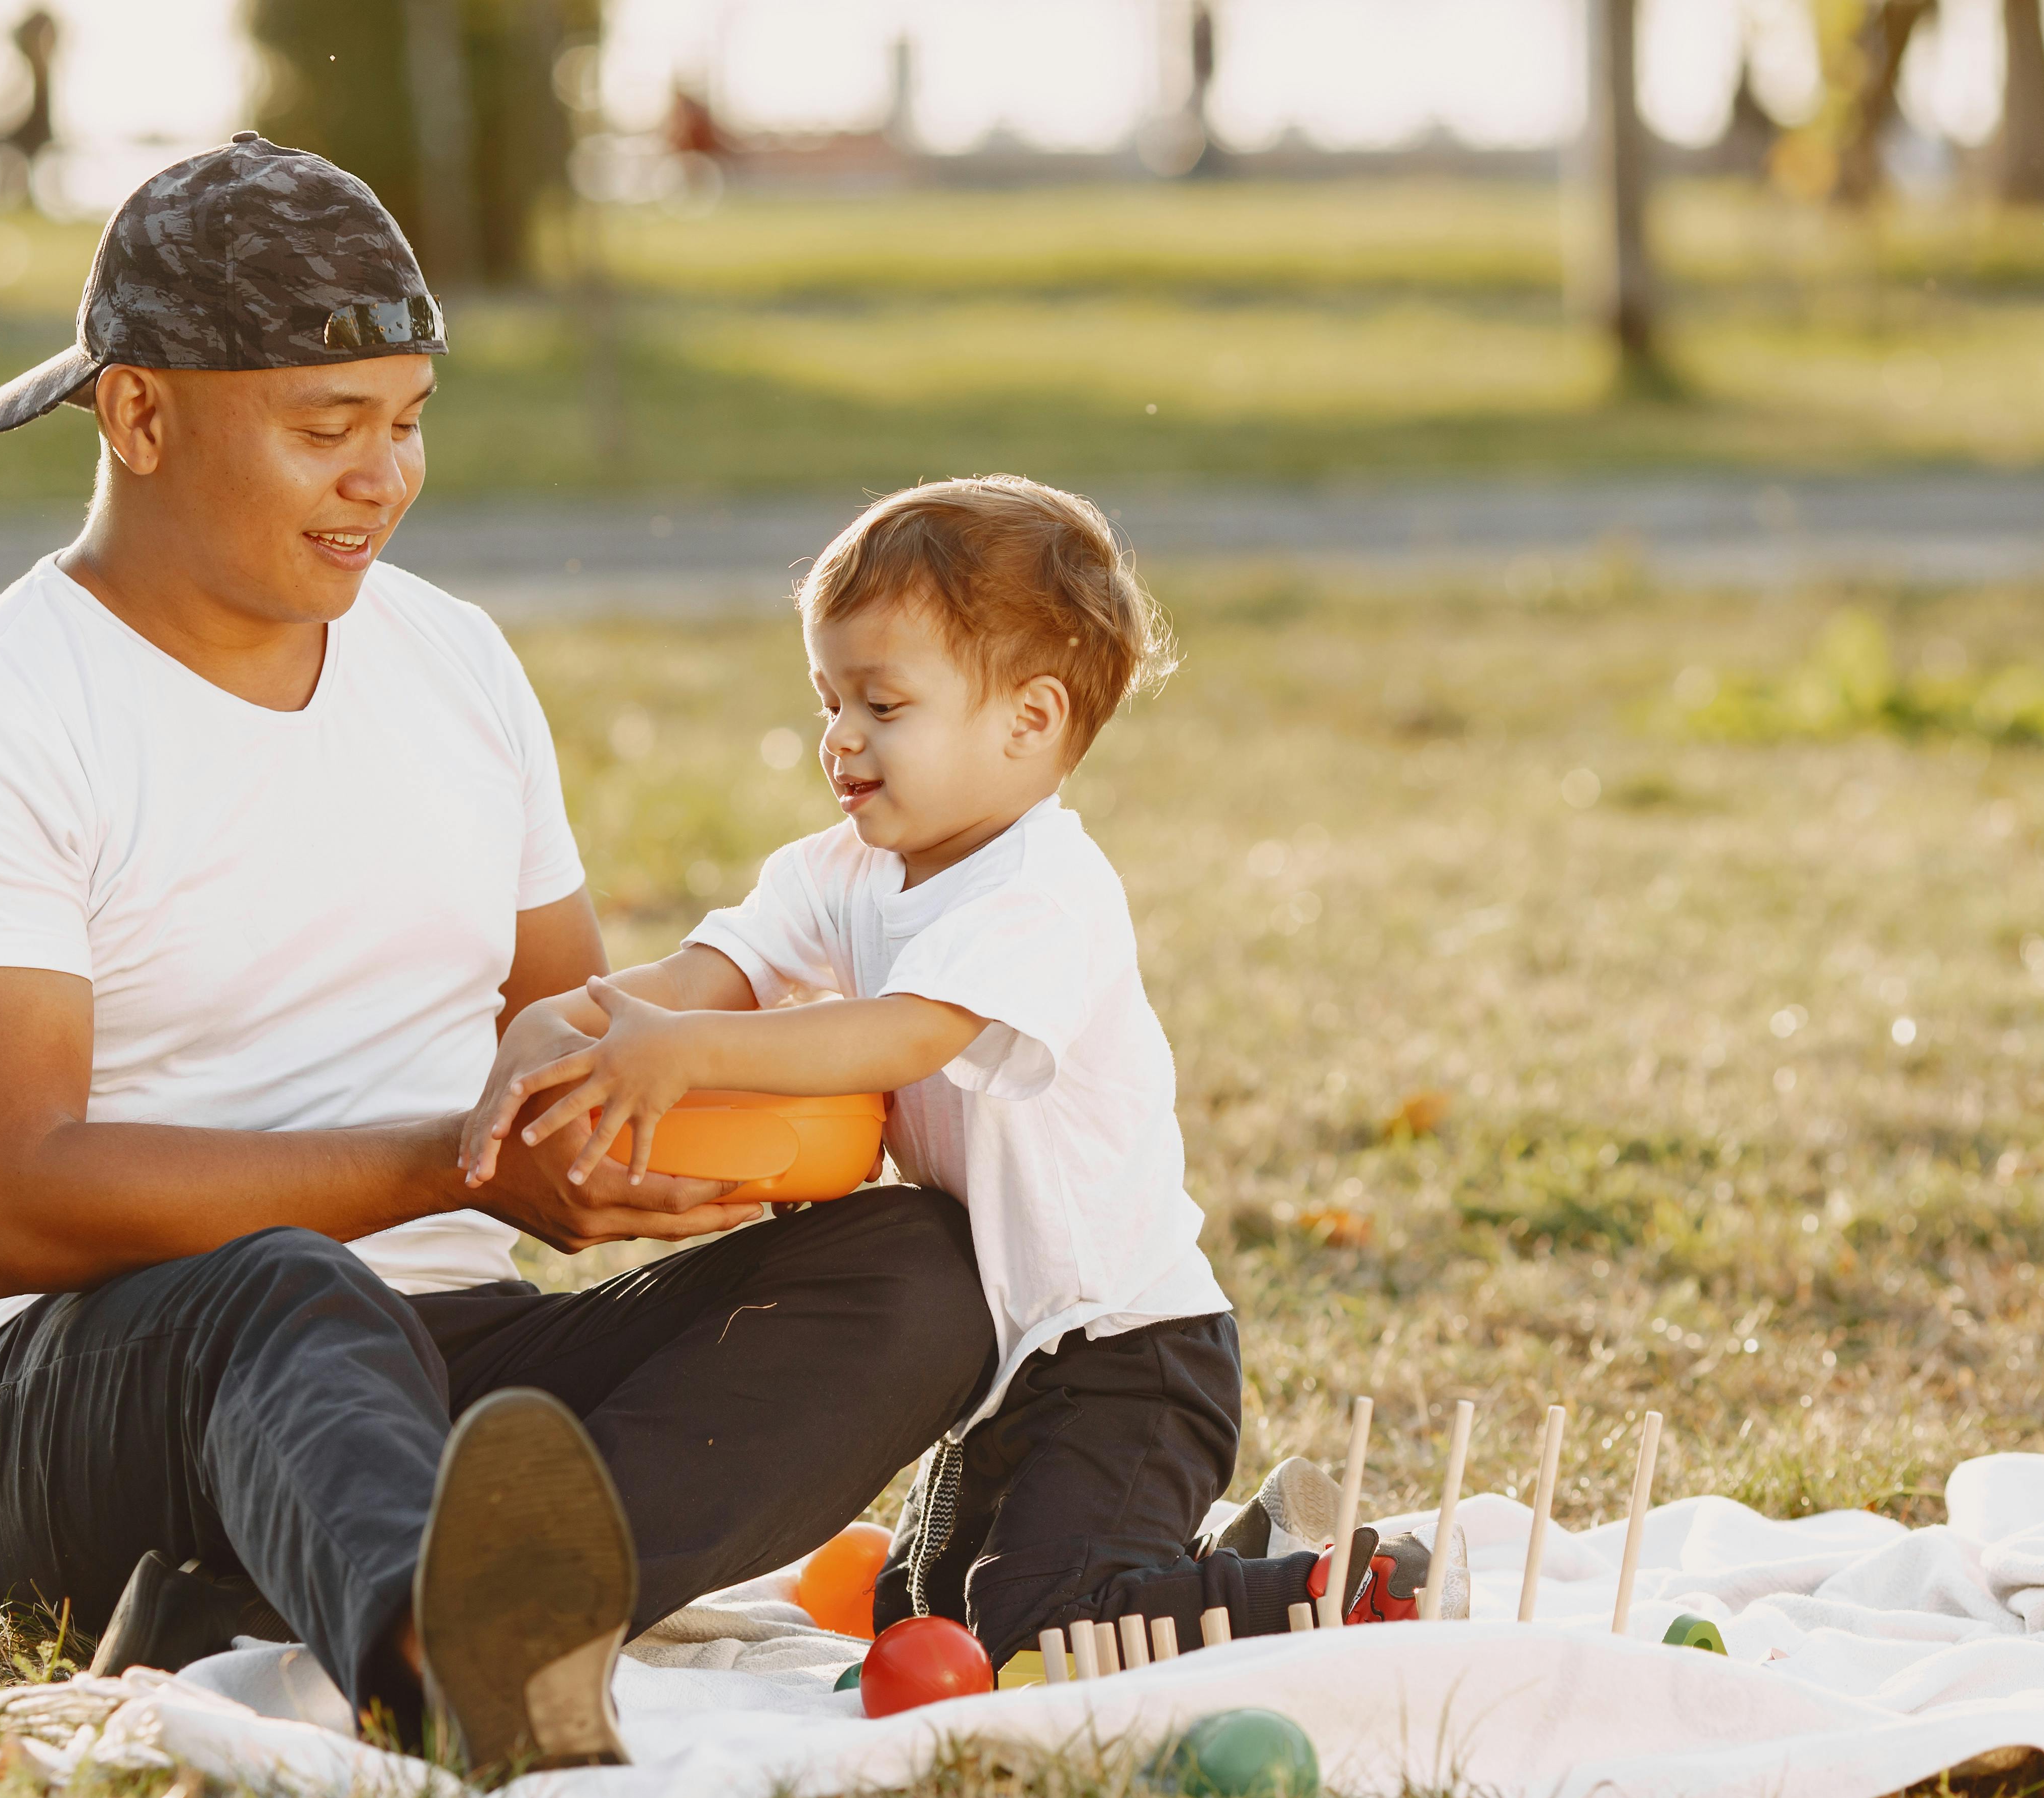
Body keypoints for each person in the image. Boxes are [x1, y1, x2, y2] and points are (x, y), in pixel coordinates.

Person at [0, 134, 995, 1772]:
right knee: (289, 1287)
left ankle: (469, 1610)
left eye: (408, 422)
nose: (386, 476)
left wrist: (727, 1096)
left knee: (920, 1263)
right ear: (141, 413)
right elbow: (9, 1198)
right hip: (109, 1392)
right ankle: (435, 1663)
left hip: (444, 1362)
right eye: (329, 430)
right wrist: (458, 1168)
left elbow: (560, 1035)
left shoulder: (453, 661)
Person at [463, 475, 1441, 1669]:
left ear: (1027, 723)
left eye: (883, 703)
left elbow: (904, 1034)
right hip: (1000, 1356)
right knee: (919, 1619)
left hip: (1125, 1352)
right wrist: (559, 1021)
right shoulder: (844, 868)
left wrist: (688, 1055)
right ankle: (1239, 1553)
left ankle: (1343, 1592)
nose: (840, 738)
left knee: (1041, 1623)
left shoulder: (1043, 893)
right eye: (828, 699)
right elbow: (711, 971)